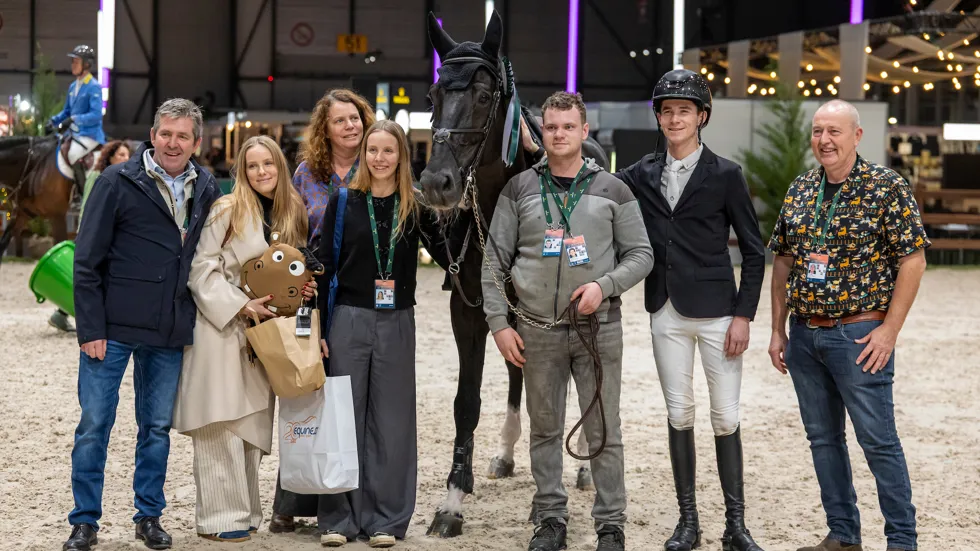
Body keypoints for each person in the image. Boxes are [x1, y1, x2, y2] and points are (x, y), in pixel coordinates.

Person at [483, 91, 653, 551]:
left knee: (604, 429)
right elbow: (494, 262)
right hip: (536, 330)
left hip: (598, 330)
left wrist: (605, 286)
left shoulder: (614, 189)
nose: (559, 134)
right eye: (551, 127)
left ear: (584, 131)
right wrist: (499, 323)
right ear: (542, 132)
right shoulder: (518, 189)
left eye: (568, 127)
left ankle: (610, 525)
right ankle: (550, 519)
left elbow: (641, 254)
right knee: (544, 428)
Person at [613, 69, 767, 551]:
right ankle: (688, 522)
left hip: (720, 313)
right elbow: (595, 184)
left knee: (725, 416)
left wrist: (744, 315)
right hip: (666, 311)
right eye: (667, 110)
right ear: (658, 117)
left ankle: (736, 526)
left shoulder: (726, 174)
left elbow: (754, 250)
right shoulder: (640, 173)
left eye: (684, 110)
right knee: (679, 413)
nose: (674, 118)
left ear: (701, 117)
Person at [767, 99, 929, 551]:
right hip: (804, 335)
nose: (824, 140)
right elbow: (782, 261)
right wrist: (778, 329)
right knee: (823, 440)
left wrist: (889, 330)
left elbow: (913, 260)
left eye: (834, 131)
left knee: (878, 442)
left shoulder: (885, 186)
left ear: (857, 136)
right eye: (818, 131)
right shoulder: (802, 188)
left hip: (859, 335)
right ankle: (843, 536)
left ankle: (902, 541)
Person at [64, 98, 221, 551]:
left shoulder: (207, 186)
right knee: (94, 425)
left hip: (167, 329)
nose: (173, 143)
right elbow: (86, 261)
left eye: (183, 136)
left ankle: (148, 516)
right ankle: (84, 521)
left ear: (196, 142)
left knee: (155, 428)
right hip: (111, 330)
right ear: (152, 136)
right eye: (165, 133)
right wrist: (90, 329)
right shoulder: (115, 181)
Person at [172, 135, 315, 543]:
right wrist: (240, 304)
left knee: (251, 425)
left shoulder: (293, 212)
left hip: (264, 337)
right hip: (221, 330)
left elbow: (294, 269)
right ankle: (220, 517)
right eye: (252, 166)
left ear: (280, 167)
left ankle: (246, 512)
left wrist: (303, 290)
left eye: (267, 163)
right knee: (221, 421)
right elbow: (201, 269)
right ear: (242, 171)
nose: (261, 172)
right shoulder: (227, 208)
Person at [312, 120, 445, 548]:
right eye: (373, 150)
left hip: (397, 320)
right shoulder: (343, 202)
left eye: (389, 151)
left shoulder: (416, 205)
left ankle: (386, 518)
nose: (380, 158)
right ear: (363, 154)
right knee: (343, 418)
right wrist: (317, 326)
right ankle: (338, 518)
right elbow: (323, 266)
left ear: (402, 156)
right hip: (348, 318)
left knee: (392, 420)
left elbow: (448, 256)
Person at [271, 87, 376, 534]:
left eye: (355, 118)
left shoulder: (377, 166)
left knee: (351, 396)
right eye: (340, 120)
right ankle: (291, 497)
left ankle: (349, 497)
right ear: (325, 130)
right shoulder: (306, 174)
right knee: (309, 390)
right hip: (313, 291)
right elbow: (291, 234)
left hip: (361, 292)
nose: (350, 126)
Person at [47, 45, 106, 191]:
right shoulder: (73, 86)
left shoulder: (94, 86)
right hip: (74, 134)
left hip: (90, 134)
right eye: (72, 62)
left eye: (76, 62)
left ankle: (81, 194)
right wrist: (53, 120)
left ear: (86, 64)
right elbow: (67, 111)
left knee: (73, 154)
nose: (73, 65)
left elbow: (96, 115)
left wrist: (74, 119)